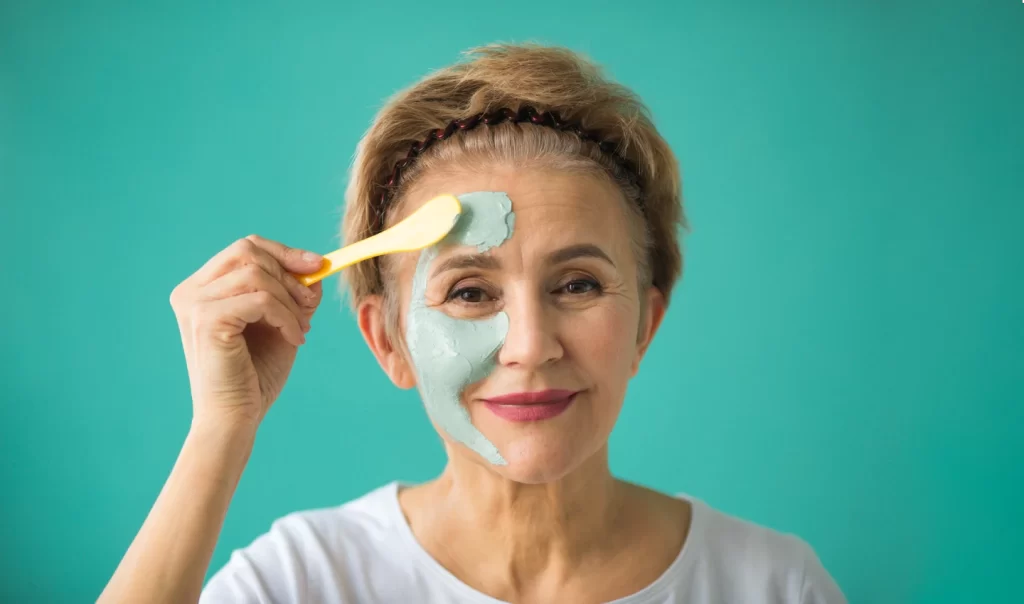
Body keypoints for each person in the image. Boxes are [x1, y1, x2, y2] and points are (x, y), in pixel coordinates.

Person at [99, 44, 846, 604]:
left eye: (578, 284)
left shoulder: (773, 585)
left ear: (645, 326)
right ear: (388, 340)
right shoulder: (304, 580)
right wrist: (222, 426)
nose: (529, 346)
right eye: (469, 293)